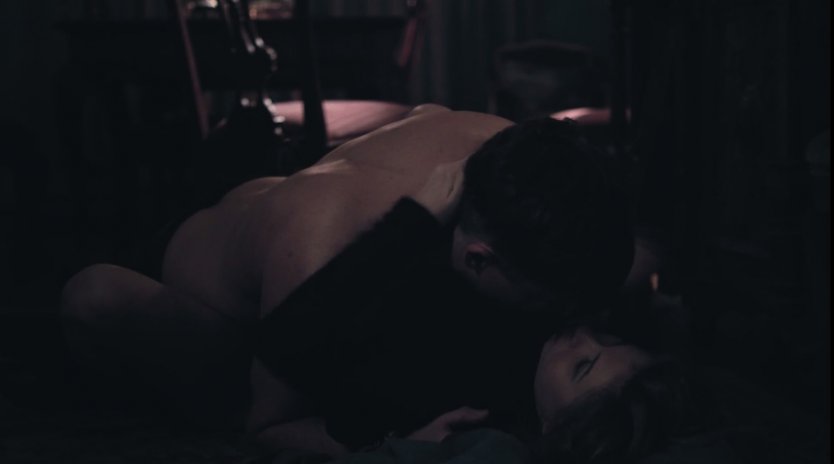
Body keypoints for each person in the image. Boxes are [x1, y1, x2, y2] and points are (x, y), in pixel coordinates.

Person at [61, 106, 634, 454]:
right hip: (220, 305)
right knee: (95, 295)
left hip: (280, 198)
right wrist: (395, 448)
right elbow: (270, 427)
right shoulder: (323, 260)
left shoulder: (510, 151)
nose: (566, 321)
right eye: (549, 303)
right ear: (479, 259)